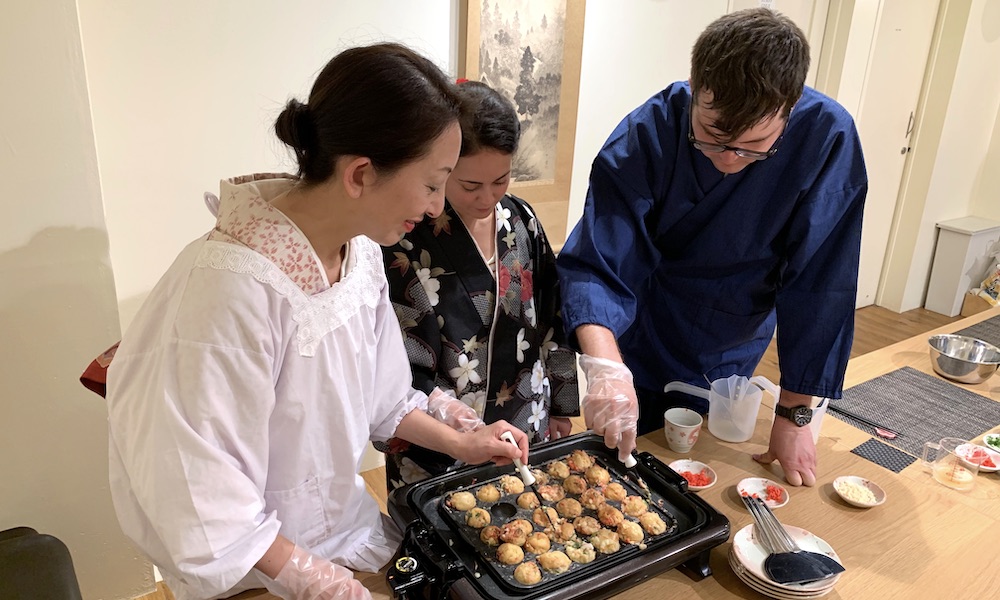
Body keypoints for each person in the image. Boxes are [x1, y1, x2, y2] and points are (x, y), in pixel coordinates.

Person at [104, 43, 530, 600]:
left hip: (346, 532)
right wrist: (318, 583)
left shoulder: (360, 256)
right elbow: (202, 498)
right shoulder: (226, 290)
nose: (434, 208)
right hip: (249, 573)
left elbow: (384, 400)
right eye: (433, 183)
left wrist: (462, 438)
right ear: (360, 174)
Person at [556, 8, 867, 487]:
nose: (728, 159)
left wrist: (794, 415)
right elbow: (599, 261)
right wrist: (604, 368)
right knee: (633, 461)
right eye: (713, 136)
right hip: (649, 323)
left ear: (789, 107)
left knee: (713, 463)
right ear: (694, 86)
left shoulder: (827, 137)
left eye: (754, 146)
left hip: (736, 329)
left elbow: (821, 286)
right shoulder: (652, 129)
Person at [380, 80, 579, 489]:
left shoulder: (521, 221)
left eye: (501, 180)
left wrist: (560, 403)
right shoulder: (406, 242)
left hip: (525, 423)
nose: (488, 197)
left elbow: (553, 315)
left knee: (528, 533)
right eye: (471, 185)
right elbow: (396, 362)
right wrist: (458, 427)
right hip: (442, 441)